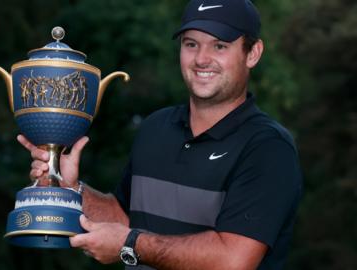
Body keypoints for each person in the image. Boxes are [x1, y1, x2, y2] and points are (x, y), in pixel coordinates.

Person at [18, 0, 303, 269]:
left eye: (219, 46)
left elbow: (232, 260)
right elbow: (126, 221)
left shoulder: (268, 148)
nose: (201, 59)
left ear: (252, 53)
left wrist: (130, 245)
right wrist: (72, 190)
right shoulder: (156, 127)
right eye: (191, 44)